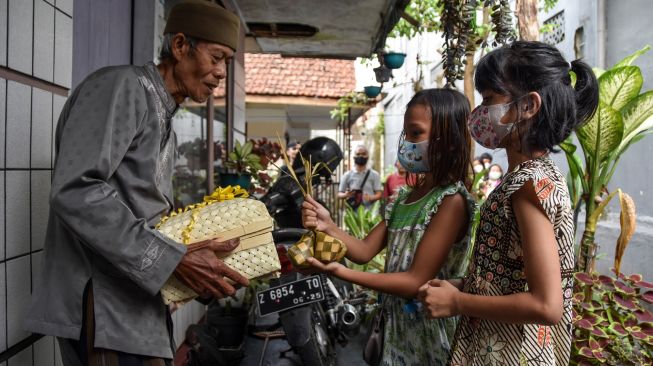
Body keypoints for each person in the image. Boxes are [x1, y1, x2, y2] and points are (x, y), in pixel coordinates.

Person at [24, 1, 250, 364]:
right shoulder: (122, 87)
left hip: (136, 307)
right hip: (105, 306)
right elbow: (75, 190)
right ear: (179, 47)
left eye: (226, 61)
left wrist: (197, 271)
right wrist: (171, 260)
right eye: (216, 57)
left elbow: (143, 212)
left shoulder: (165, 118)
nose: (221, 73)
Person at [417, 41, 599, 366]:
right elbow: (514, 277)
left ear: (528, 106)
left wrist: (459, 302)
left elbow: (546, 306)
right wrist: (463, 286)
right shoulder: (531, 178)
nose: (480, 111)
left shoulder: (529, 184)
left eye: (489, 99)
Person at [302, 89, 477, 365]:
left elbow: (414, 281)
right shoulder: (404, 199)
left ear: (449, 141)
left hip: (427, 336)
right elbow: (363, 251)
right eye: (406, 134)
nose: (406, 142)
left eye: (416, 133)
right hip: (395, 329)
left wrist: (341, 272)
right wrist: (328, 225)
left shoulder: (451, 202)